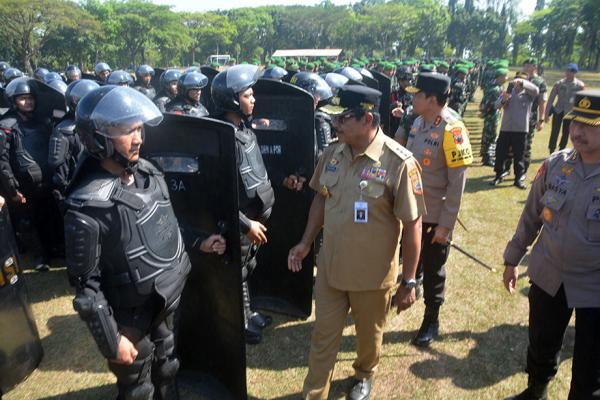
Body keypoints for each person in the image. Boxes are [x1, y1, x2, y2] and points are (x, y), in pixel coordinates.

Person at [64, 85, 226, 400]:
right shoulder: (87, 204)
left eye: (139, 128)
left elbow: (166, 224)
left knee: (168, 366)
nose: (138, 138)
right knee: (138, 387)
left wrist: (199, 242)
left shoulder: (148, 173)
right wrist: (112, 341)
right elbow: (87, 290)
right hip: (130, 316)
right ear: (98, 138)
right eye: (127, 131)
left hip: (166, 300)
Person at [288, 85, 425, 400]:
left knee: (369, 337)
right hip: (331, 268)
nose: (336, 124)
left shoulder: (399, 162)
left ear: (366, 119)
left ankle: (364, 374)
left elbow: (413, 223)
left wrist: (409, 280)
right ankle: (315, 394)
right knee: (323, 336)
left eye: (343, 118)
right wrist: (306, 242)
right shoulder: (332, 153)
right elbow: (321, 200)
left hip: (372, 277)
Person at [502, 89, 600, 400]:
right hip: (549, 272)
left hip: (594, 281)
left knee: (591, 360)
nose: (577, 131)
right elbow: (531, 215)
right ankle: (536, 391)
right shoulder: (556, 164)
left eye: (589, 125)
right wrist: (512, 258)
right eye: (574, 122)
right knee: (541, 341)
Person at [396, 72, 473, 347]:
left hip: (434, 215)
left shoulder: (454, 130)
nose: (412, 98)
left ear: (431, 99)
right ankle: (409, 284)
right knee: (411, 261)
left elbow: (457, 183)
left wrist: (446, 224)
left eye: (418, 95)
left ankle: (431, 318)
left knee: (434, 267)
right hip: (411, 210)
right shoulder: (417, 122)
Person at [211, 64, 276, 344]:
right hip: (241, 222)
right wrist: (245, 224)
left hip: (253, 217)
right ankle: (239, 320)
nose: (254, 100)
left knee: (248, 266)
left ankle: (249, 313)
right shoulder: (224, 138)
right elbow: (219, 194)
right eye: (248, 95)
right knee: (237, 271)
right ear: (233, 100)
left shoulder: (243, 129)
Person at [0, 78, 63, 271]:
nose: (28, 102)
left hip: (45, 181)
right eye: (23, 99)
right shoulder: (6, 126)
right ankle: (39, 256)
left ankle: (54, 249)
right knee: (28, 222)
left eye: (31, 99)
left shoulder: (42, 122)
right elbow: (2, 162)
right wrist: (12, 189)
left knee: (49, 216)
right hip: (22, 186)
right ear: (13, 100)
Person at [48, 79, 99, 200]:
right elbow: (59, 170)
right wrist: (66, 193)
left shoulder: (97, 124)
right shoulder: (64, 130)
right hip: (75, 188)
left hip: (95, 182)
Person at [491, 73, 539, 189]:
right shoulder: (508, 93)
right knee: (500, 153)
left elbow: (536, 90)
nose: (517, 83)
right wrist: (504, 99)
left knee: (519, 155)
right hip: (506, 129)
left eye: (520, 82)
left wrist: (523, 83)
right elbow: (496, 106)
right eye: (516, 81)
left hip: (521, 130)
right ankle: (498, 175)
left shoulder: (528, 94)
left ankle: (518, 179)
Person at [544, 63, 585, 154]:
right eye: (566, 70)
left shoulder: (580, 85)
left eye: (570, 71)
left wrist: (580, 116)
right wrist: (546, 113)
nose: (567, 73)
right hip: (558, 110)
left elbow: (582, 102)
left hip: (570, 112)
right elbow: (551, 99)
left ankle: (561, 149)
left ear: (575, 72)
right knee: (554, 131)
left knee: (566, 132)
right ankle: (551, 150)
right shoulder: (559, 84)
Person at [479, 68, 509, 167]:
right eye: (505, 76)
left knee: (488, 135)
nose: (507, 78)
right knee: (490, 136)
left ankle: (486, 155)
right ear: (500, 77)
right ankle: (487, 158)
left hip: (492, 114)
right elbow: (493, 104)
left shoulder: (496, 87)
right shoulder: (495, 89)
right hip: (492, 115)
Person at [523, 58, 547, 175]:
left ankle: (523, 170)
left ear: (534, 67)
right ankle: (507, 168)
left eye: (528, 65)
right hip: (517, 115)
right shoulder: (520, 78)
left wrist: (541, 120)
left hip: (530, 116)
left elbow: (542, 102)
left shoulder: (540, 82)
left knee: (526, 144)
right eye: (525, 65)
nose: (526, 67)